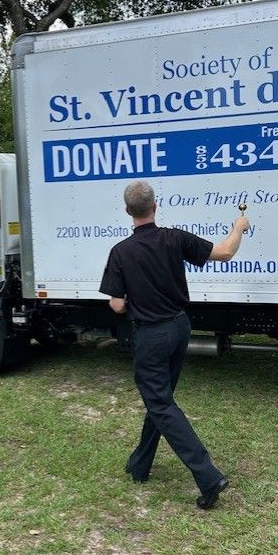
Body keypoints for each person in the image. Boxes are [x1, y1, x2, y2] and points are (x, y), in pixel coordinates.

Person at [99, 180, 250, 510]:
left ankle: (207, 475)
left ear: (128, 211)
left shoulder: (121, 252)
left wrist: (128, 303)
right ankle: (140, 464)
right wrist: (239, 227)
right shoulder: (175, 238)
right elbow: (225, 252)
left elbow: (116, 304)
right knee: (161, 399)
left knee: (161, 403)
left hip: (151, 335)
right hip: (180, 327)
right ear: (155, 206)